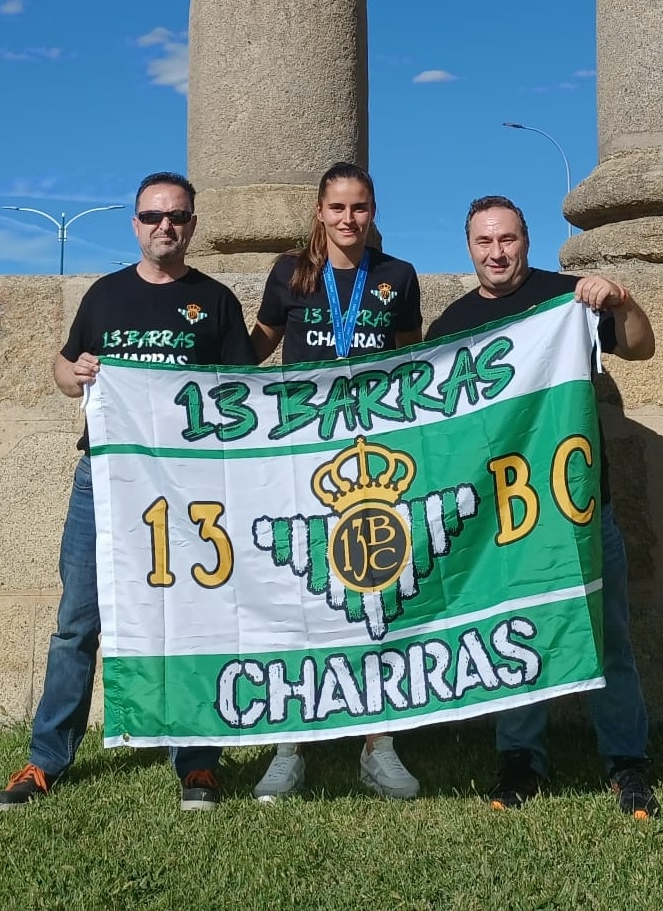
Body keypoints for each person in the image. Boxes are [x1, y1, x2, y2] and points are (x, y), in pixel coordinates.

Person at [0, 172, 258, 813]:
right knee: (77, 623)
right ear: (135, 224)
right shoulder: (105, 295)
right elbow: (64, 367)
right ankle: (44, 760)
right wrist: (75, 372)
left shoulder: (216, 301)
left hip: (188, 488)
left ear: (193, 225)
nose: (165, 226)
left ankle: (197, 762)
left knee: (189, 621)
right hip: (104, 481)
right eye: (153, 216)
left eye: (177, 217)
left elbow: (243, 393)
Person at [425, 195, 659, 819]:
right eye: (484, 242)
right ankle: (521, 760)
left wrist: (622, 301)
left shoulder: (568, 300)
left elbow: (641, 348)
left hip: (578, 506)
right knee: (515, 633)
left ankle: (627, 762)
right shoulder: (452, 327)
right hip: (502, 519)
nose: (497, 252)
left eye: (507, 239)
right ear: (469, 248)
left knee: (607, 636)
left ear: (526, 240)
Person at [249, 162, 425, 801]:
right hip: (302, 455)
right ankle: (288, 744)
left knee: (377, 587)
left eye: (360, 207)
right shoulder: (290, 273)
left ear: (373, 212)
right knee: (297, 590)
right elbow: (254, 350)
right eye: (338, 208)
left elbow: (412, 358)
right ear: (319, 212)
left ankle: (379, 744)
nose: (348, 219)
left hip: (373, 457)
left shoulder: (397, 275)